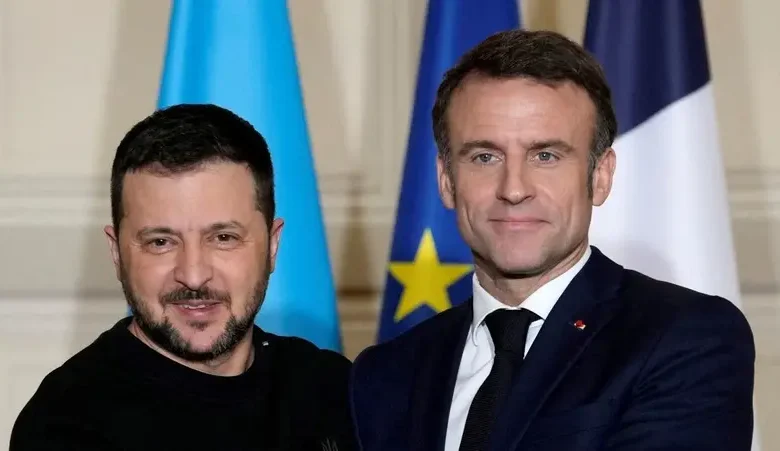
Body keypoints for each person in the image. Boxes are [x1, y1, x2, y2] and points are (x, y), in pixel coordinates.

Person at [349, 29, 755, 451]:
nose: (513, 189)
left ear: (600, 176)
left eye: (545, 156)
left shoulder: (684, 338)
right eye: (485, 157)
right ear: (446, 180)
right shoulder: (385, 375)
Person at [10, 104, 357, 450]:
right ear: (117, 253)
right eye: (160, 242)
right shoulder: (65, 423)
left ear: (272, 246)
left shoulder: (334, 391)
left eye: (224, 238)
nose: (193, 276)